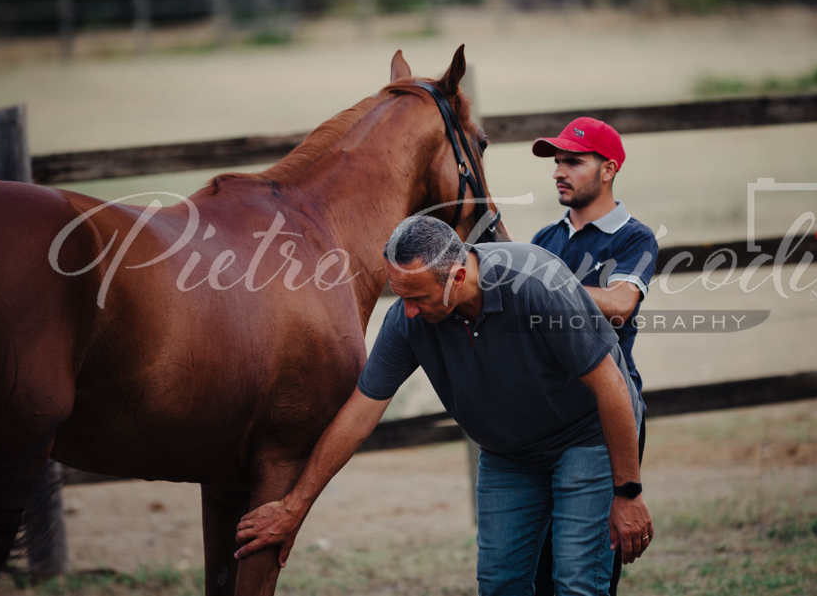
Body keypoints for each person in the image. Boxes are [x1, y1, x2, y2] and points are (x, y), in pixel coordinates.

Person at [234, 216, 653, 595]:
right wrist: (294, 507)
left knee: (576, 583)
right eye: (399, 296)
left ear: (456, 276)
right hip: (510, 455)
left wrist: (628, 492)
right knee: (499, 583)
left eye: (417, 298)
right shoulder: (407, 319)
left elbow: (613, 389)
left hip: (585, 440)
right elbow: (360, 415)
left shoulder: (538, 283)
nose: (408, 312)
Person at [529, 117, 659, 594]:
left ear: (608, 169)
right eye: (557, 162)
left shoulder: (633, 238)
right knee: (538, 567)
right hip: (546, 416)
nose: (559, 171)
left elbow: (622, 303)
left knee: (584, 574)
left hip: (605, 416)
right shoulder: (545, 240)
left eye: (573, 161)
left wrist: (544, 289)